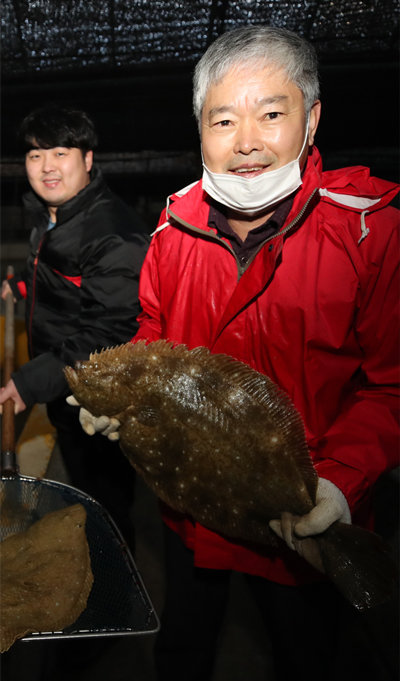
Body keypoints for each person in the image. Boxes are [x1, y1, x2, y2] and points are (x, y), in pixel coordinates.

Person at [75, 26, 399, 681]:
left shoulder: (370, 230)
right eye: (223, 119)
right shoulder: (171, 230)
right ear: (200, 128)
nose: (246, 141)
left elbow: (389, 385)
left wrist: (338, 483)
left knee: (308, 655)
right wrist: (125, 392)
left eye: (271, 114)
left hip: (298, 513)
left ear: (311, 120)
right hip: (191, 506)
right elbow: (153, 338)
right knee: (183, 646)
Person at [0, 105, 149, 550]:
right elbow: (60, 277)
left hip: (97, 403)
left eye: (60, 153)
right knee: (82, 495)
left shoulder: (112, 234)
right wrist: (23, 288)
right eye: (35, 156)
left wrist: (28, 382)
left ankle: (115, 596)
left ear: (87, 159)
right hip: (64, 387)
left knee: (105, 506)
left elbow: (110, 334)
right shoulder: (55, 214)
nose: (47, 167)